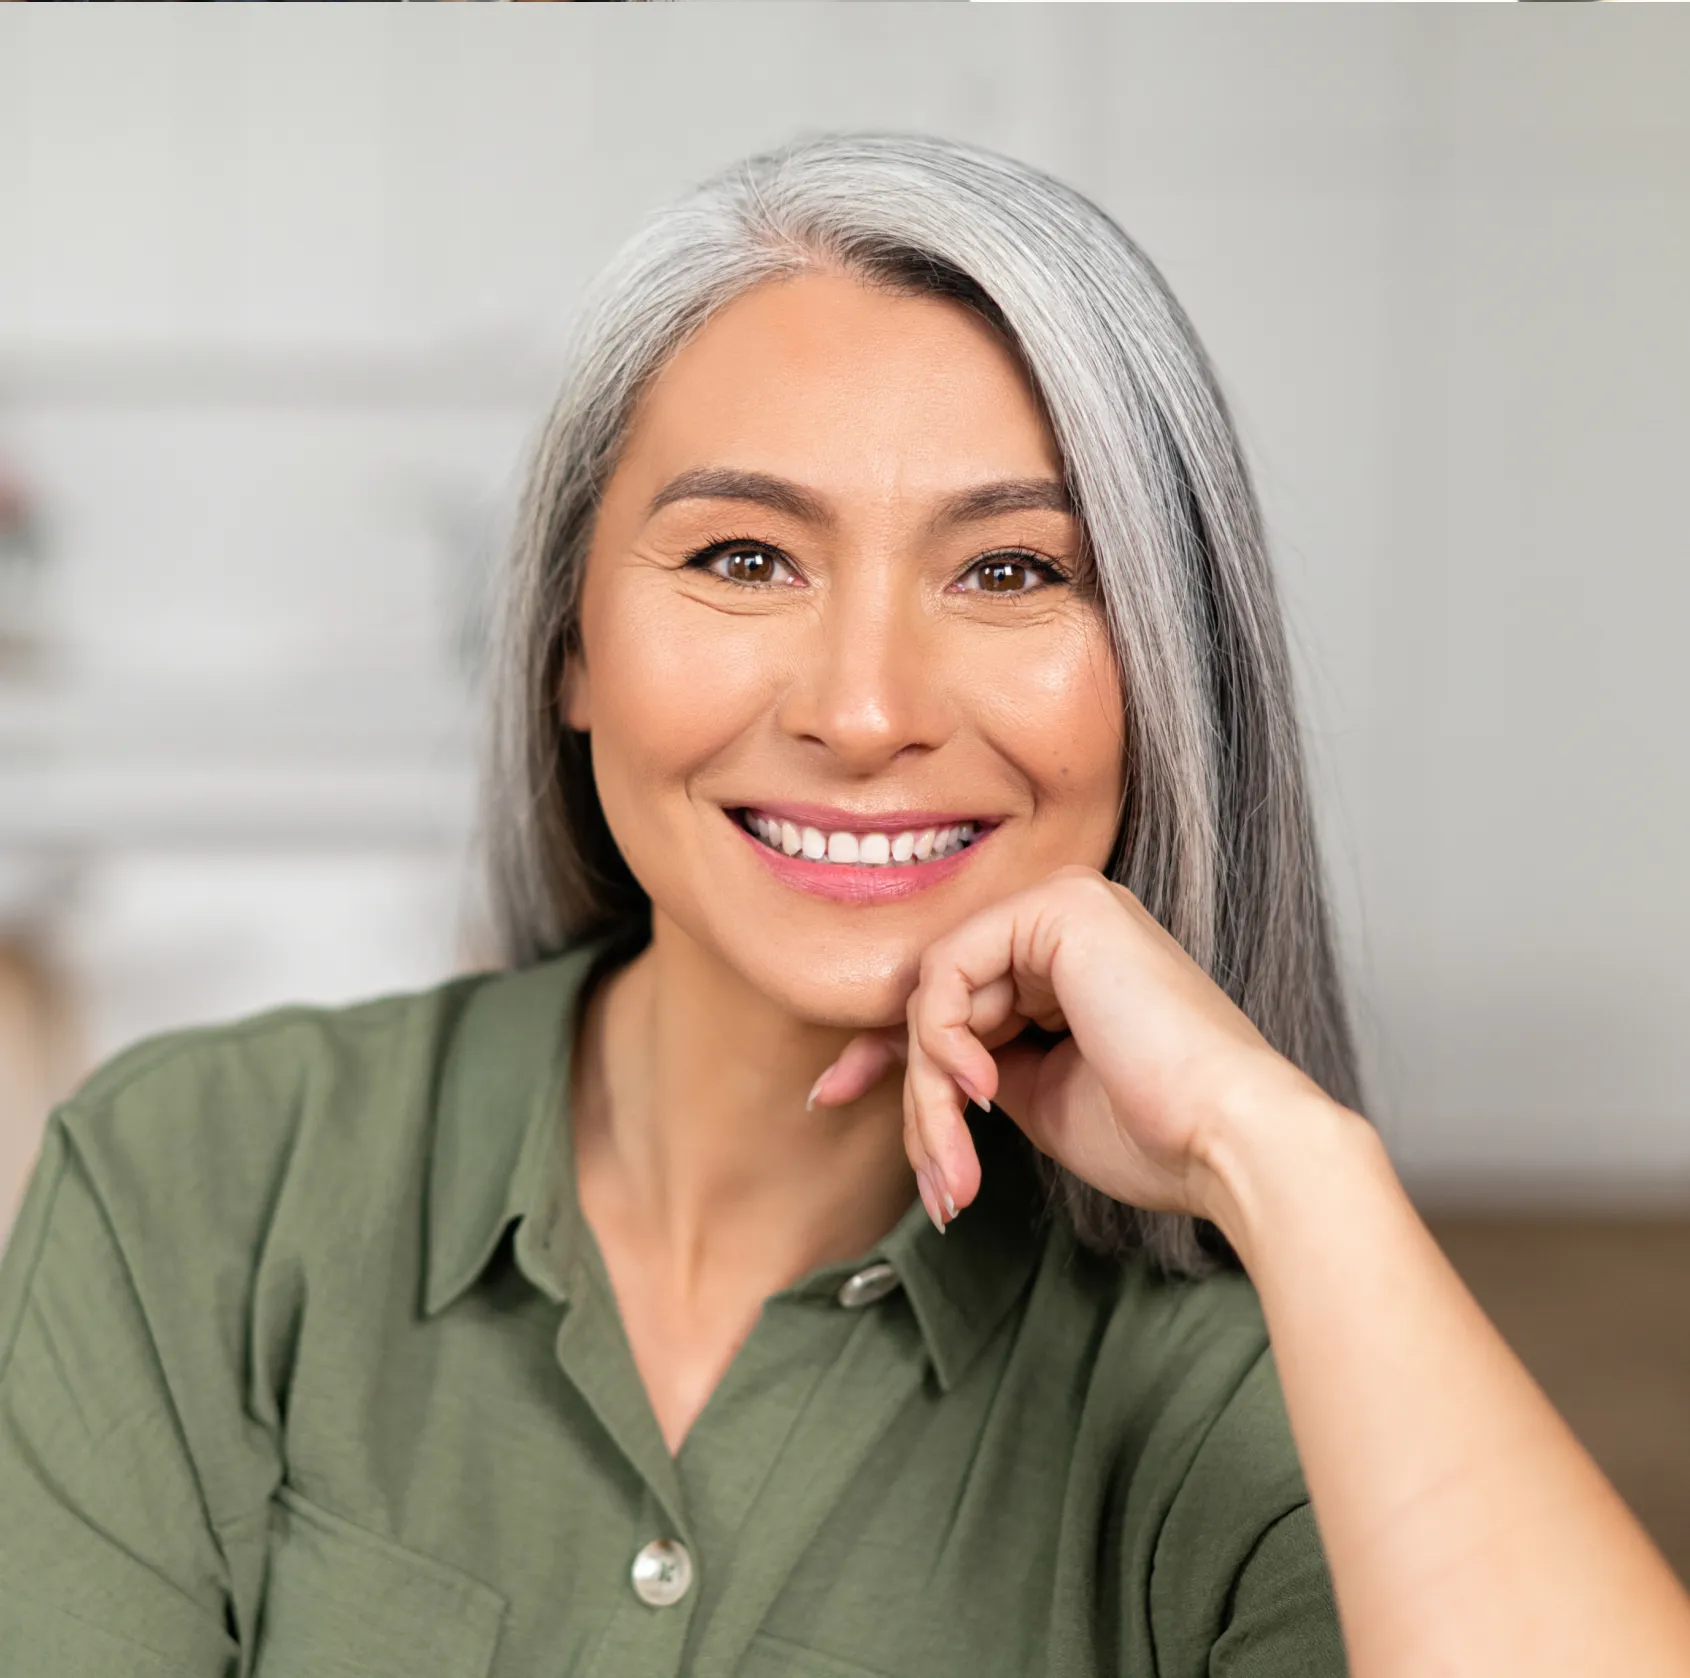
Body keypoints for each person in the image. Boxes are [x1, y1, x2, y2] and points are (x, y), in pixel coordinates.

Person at [2, 133, 1686, 1678]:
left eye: (1012, 570)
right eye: (742, 558)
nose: (864, 710)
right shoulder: (193, 1187)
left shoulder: (1271, 1401)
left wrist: (1290, 1161)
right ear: (571, 642)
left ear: (1168, 679)